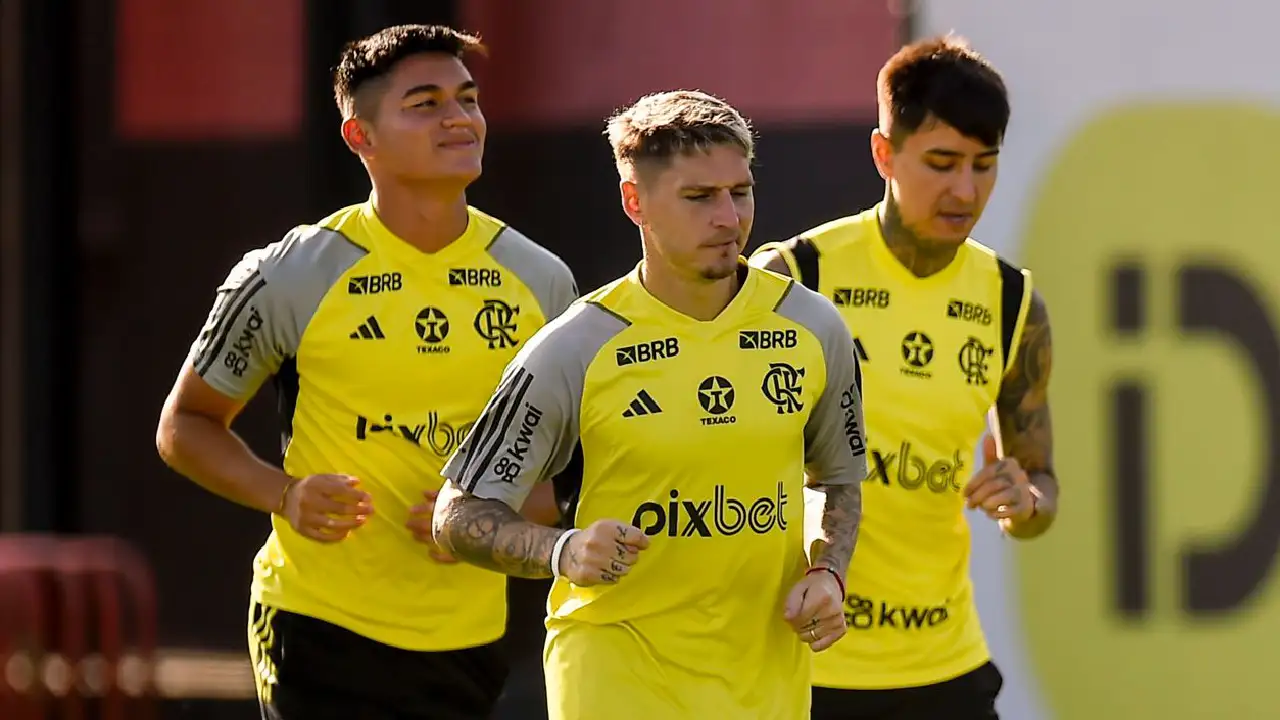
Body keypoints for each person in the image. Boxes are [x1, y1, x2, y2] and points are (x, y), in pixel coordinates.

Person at [154, 24, 577, 720]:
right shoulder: (292, 272)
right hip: (318, 627)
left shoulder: (540, 280)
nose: (459, 118)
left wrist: (482, 524)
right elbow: (186, 426)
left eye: (467, 99)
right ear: (361, 137)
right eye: (426, 102)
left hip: (470, 639)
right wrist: (284, 494)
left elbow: (574, 475)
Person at [429, 90, 867, 719]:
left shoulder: (814, 326)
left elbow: (836, 479)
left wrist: (829, 571)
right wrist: (563, 550)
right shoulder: (575, 347)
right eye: (699, 197)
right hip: (616, 669)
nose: (729, 218)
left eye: (739, 192)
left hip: (762, 676)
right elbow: (458, 513)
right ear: (635, 202)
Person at [749, 35, 1057, 720]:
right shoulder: (796, 279)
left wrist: (1025, 498)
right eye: (942, 163)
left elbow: (1042, 489)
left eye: (984, 165)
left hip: (944, 665)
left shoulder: (1012, 303)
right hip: (804, 663)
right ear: (885, 154)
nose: (965, 190)